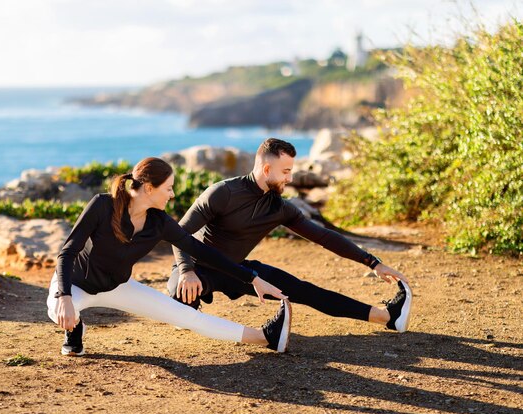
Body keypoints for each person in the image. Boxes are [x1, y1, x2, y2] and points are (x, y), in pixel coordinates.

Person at [47, 157, 292, 356]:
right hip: (74, 284)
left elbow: (201, 251)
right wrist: (65, 295)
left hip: (117, 286)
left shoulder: (159, 222)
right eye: (168, 188)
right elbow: (67, 252)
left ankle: (266, 337)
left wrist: (252, 278)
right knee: (57, 309)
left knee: (187, 316)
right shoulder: (102, 205)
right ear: (149, 188)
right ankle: (75, 330)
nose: (172, 194)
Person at [168, 138, 413, 333]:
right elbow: (180, 232)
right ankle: (197, 314)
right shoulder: (223, 192)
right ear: (266, 169)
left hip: (238, 271)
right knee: (181, 308)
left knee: (305, 291)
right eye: (285, 171)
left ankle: (387, 316)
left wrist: (372, 262)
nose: (290, 178)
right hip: (196, 267)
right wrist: (187, 271)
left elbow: (324, 237)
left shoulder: (280, 208)